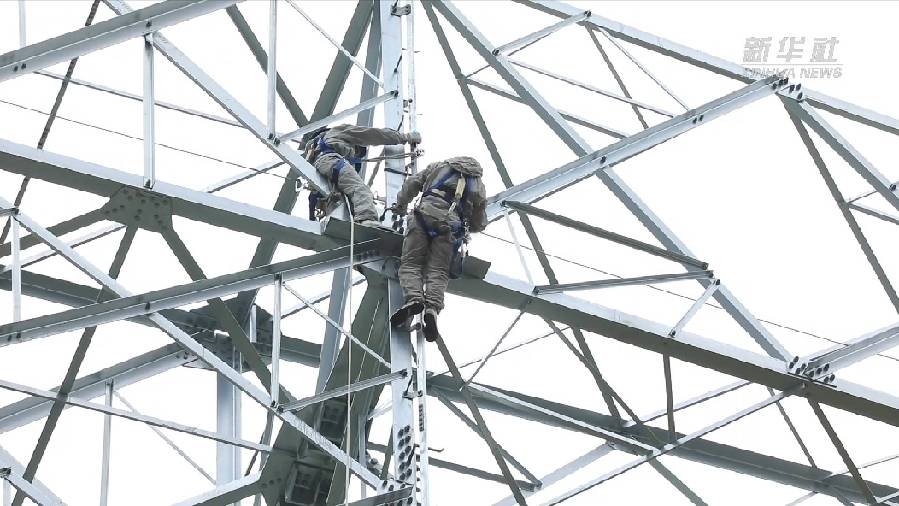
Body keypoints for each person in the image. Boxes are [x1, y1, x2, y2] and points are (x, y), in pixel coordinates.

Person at [389, 156, 487, 341]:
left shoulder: (438, 167)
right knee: (439, 271)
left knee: (411, 264)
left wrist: (401, 206)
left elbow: (412, 184)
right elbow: (479, 222)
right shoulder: (478, 185)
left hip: (423, 217)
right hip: (450, 227)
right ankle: (432, 309)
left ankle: (414, 299)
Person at [302, 124, 421, 225]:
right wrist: (405, 137)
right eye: (356, 151)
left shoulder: (313, 150)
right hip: (332, 161)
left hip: (325, 168)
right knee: (360, 190)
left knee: (345, 198)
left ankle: (353, 222)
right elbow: (373, 134)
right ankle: (367, 220)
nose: (354, 155)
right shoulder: (339, 131)